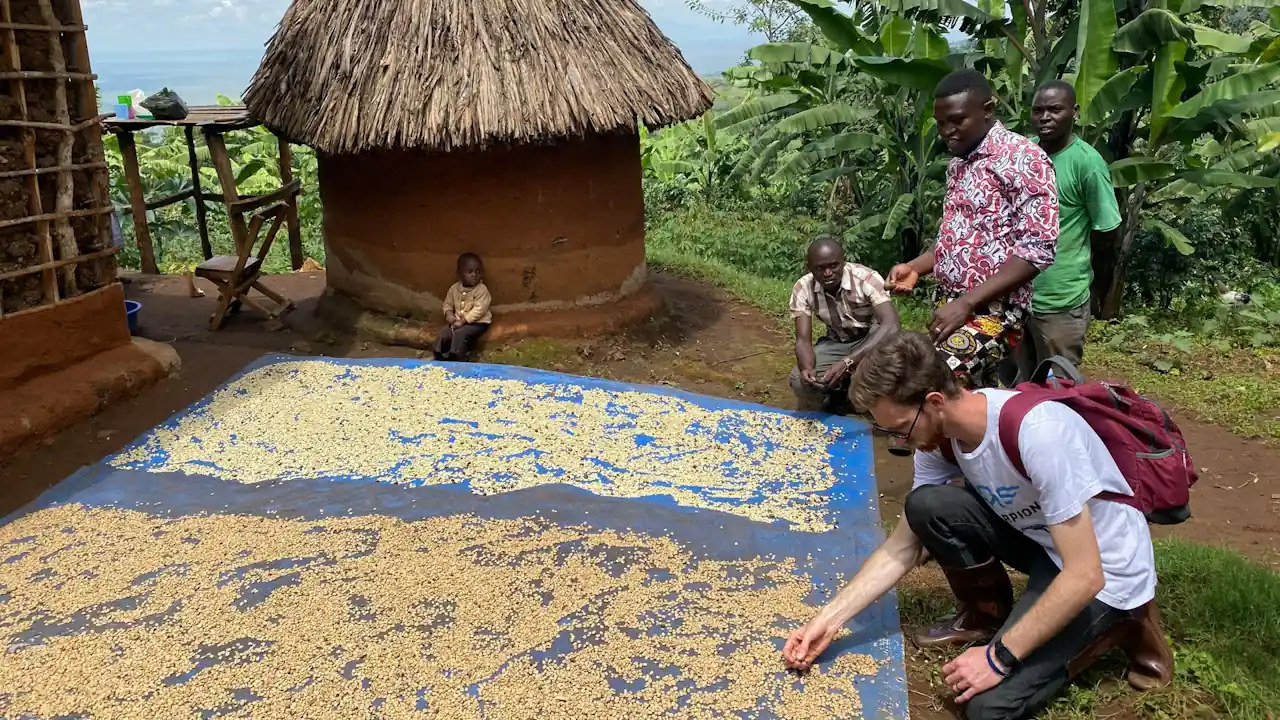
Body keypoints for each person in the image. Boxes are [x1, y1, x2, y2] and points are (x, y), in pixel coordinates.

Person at [781, 332, 1172, 720]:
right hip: (1042, 540)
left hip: (1102, 568)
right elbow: (902, 547)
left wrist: (998, 659)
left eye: (900, 427)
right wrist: (828, 621)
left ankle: (1128, 621)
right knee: (927, 505)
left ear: (934, 402)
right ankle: (989, 617)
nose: (898, 441)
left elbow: (1085, 575)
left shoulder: (1038, 433)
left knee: (986, 707)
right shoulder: (940, 438)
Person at [886, 70, 1059, 390]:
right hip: (950, 306)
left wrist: (967, 303)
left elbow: (1037, 250)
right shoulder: (959, 164)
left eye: (957, 120)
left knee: (937, 378)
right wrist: (914, 268)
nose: (946, 132)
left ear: (987, 110)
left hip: (997, 313)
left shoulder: (1023, 159)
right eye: (940, 123)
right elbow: (955, 241)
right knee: (976, 396)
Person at [1021, 80, 1123, 379]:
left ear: (1074, 112)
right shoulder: (1025, 155)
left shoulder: (1086, 163)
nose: (1045, 117)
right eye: (1038, 110)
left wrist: (1071, 253)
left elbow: (1107, 229)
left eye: (1055, 109)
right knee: (1019, 385)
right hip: (1018, 294)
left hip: (1061, 298)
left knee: (1058, 385)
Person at [788, 236, 900, 413]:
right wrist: (807, 368)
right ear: (810, 268)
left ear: (844, 261)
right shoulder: (803, 288)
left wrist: (847, 363)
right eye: (820, 268)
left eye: (834, 266)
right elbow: (803, 340)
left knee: (888, 373)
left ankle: (869, 397)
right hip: (838, 342)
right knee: (798, 380)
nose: (827, 273)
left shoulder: (866, 279)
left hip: (873, 340)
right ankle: (839, 395)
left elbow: (892, 325)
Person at [434, 253, 492, 361]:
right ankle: (438, 355)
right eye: (470, 272)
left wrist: (463, 321)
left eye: (478, 272)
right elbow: (447, 304)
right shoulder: (454, 288)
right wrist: (449, 315)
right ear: (459, 274)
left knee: (460, 334)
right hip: (458, 322)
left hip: (478, 323)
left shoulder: (481, 290)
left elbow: (480, 309)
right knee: (444, 333)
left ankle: (457, 358)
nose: (474, 275)